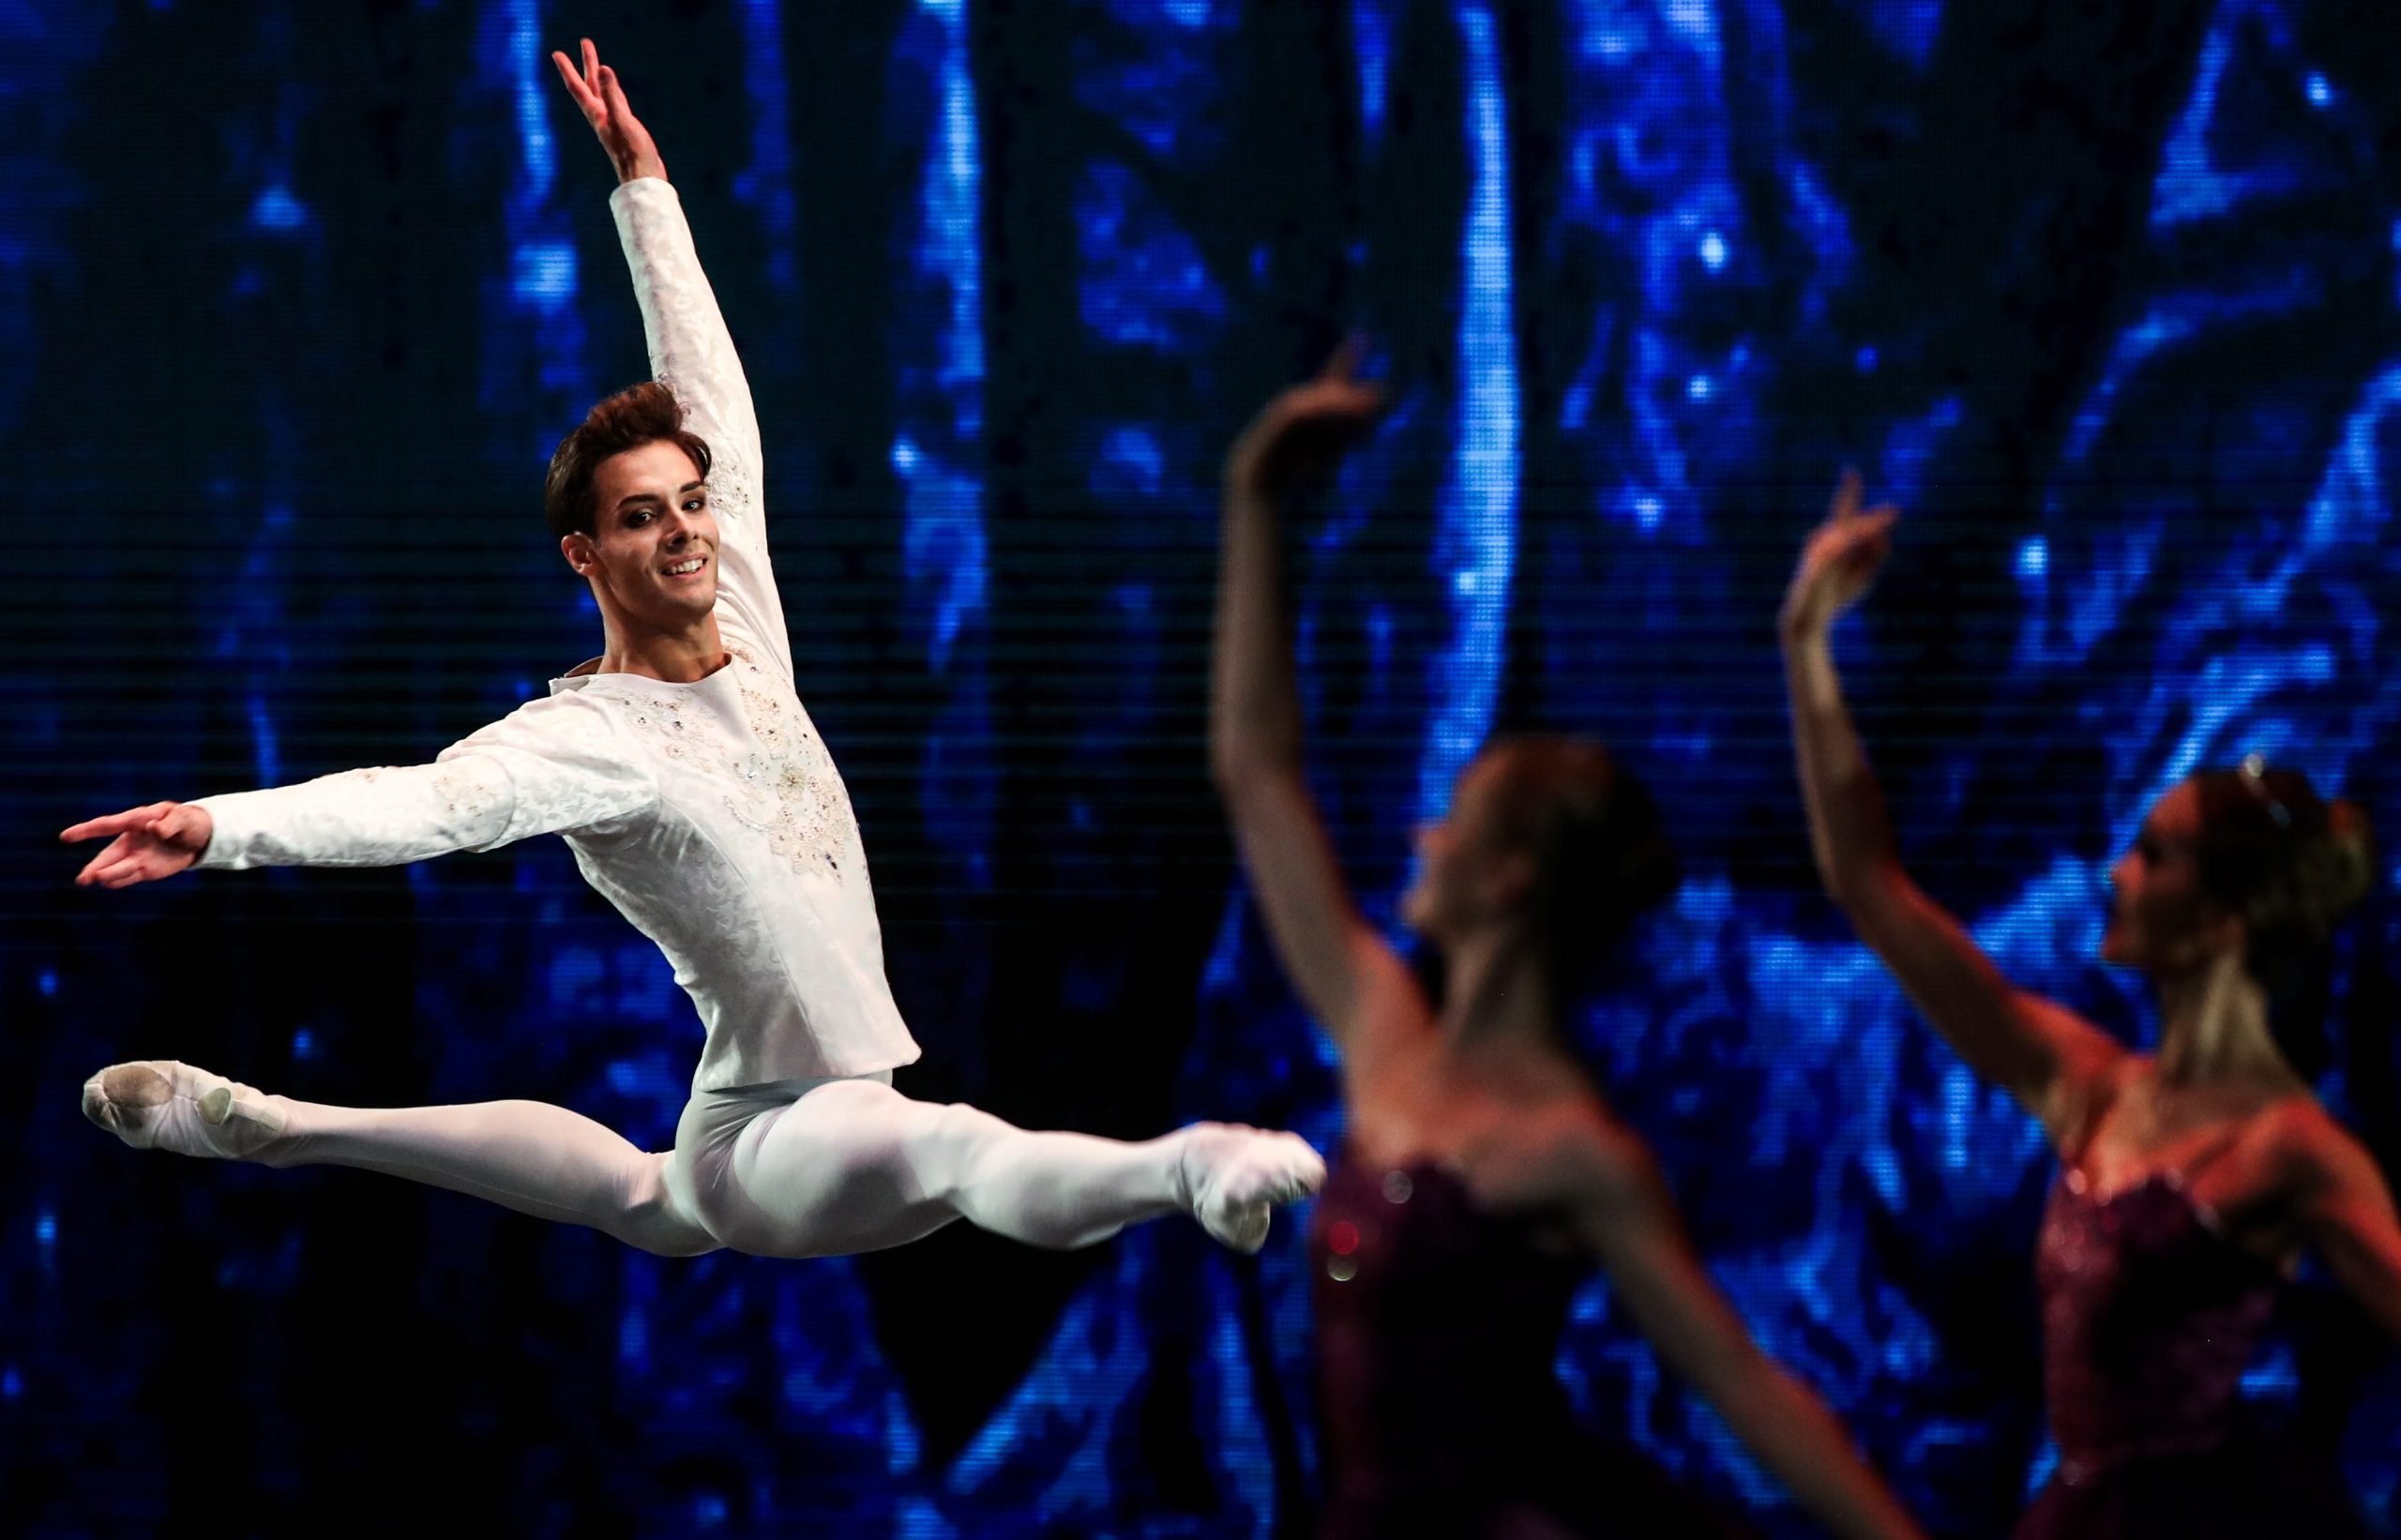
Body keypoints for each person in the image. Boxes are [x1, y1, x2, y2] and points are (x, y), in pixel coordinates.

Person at [64, 40, 1321, 1266]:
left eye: (690, 502)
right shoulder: (589, 738)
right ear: (586, 553)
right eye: (638, 514)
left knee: (643, 1193)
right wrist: (222, 825)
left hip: (755, 1124)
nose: (680, 529)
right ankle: (1192, 1163)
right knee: (947, 1146)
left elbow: (712, 400)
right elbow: (422, 804)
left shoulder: (750, 641)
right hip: (785, 1134)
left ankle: (281, 1127)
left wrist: (646, 196)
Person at [1211, 350, 1925, 1540]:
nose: (1419, 832)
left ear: (1507, 878)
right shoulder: (1384, 1026)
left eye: (1454, 818)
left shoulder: (1571, 1150)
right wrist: (1255, 502)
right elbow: (1256, 771)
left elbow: (1744, 1387)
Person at [1781, 473, 2401, 1537]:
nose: (2113, 872)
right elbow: (1869, 890)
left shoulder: (2292, 1149)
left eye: (2151, 857)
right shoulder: (2087, 1086)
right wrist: (1805, 649)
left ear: (2218, 922)